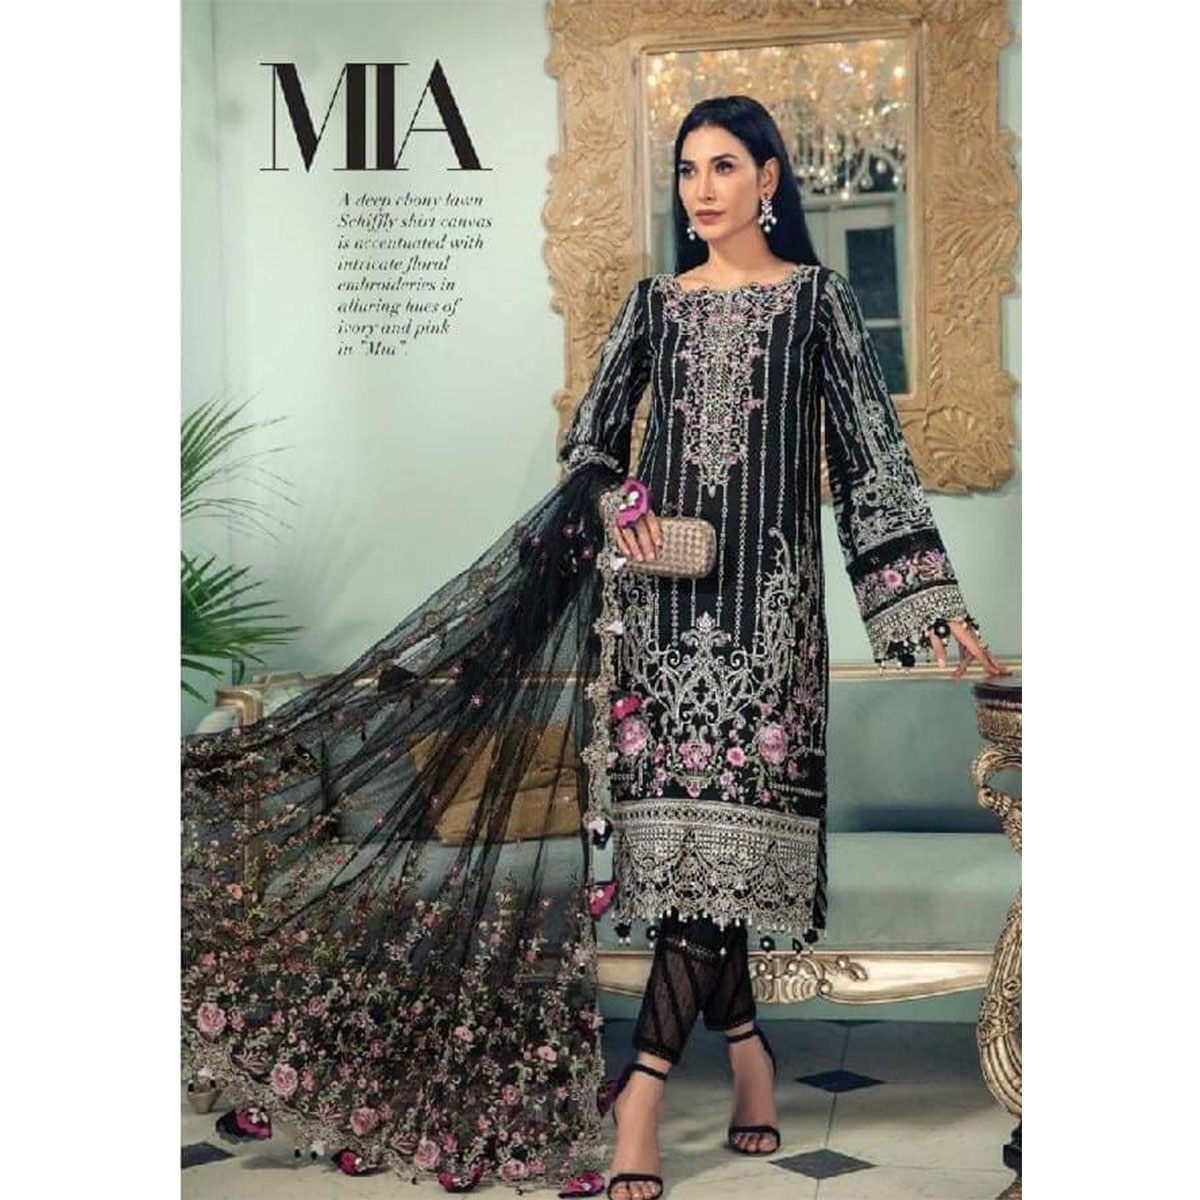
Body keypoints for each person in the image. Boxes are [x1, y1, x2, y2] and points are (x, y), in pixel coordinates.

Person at [181, 94, 1007, 1200]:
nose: (701, 190)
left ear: (770, 178)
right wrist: (625, 511)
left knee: (725, 863)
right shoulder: (655, 306)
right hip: (660, 629)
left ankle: (644, 1096)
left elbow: (872, 462)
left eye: (724, 167)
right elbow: (589, 449)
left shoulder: (819, 302)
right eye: (687, 170)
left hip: (769, 630)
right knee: (689, 868)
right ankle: (750, 1058)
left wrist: (929, 600)